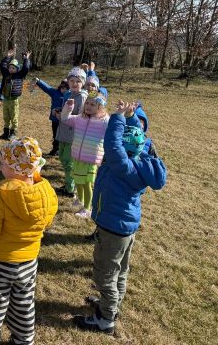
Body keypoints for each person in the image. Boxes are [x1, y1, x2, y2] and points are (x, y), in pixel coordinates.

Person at [73, 100, 166, 335]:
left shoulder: (123, 165)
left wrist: (118, 117)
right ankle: (112, 306)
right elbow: (137, 138)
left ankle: (105, 319)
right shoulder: (140, 160)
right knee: (120, 270)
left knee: (104, 274)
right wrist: (132, 118)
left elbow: (112, 144)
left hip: (113, 229)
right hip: (124, 228)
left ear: (124, 149)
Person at [0, 137, 58, 345]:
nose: (0, 166)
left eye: (3, 163)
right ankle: (24, 340)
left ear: (15, 168)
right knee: (24, 305)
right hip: (29, 263)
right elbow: (47, 223)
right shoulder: (47, 191)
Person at [61, 92, 109, 218]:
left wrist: (122, 115)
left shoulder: (105, 121)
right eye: (87, 103)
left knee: (87, 184)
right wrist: (68, 107)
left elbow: (117, 128)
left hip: (91, 159)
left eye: (93, 104)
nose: (88, 106)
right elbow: (64, 118)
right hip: (77, 156)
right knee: (78, 180)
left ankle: (87, 208)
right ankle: (80, 200)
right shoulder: (79, 118)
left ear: (100, 107)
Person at [54, 67, 88, 197]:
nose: (74, 83)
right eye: (72, 80)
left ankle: (70, 189)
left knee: (69, 163)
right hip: (63, 132)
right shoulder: (68, 93)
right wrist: (58, 110)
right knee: (62, 158)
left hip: (73, 135)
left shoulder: (82, 97)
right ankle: (69, 183)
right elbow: (66, 109)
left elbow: (81, 117)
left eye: (78, 81)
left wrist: (63, 117)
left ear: (82, 83)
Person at [0, 50, 31, 140]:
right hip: (6, 100)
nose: (11, 69)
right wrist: (7, 57)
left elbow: (26, 68)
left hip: (14, 101)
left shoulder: (20, 75)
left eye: (13, 68)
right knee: (6, 117)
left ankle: (13, 133)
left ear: (17, 69)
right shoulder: (6, 74)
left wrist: (26, 59)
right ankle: (6, 133)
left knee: (14, 117)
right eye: (10, 67)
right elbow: (2, 65)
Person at [31, 77, 69, 156]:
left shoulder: (71, 96)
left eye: (65, 88)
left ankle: (62, 150)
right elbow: (47, 88)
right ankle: (55, 149)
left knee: (63, 136)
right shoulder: (55, 93)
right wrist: (39, 81)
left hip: (65, 120)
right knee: (55, 135)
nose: (63, 90)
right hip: (55, 119)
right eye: (62, 88)